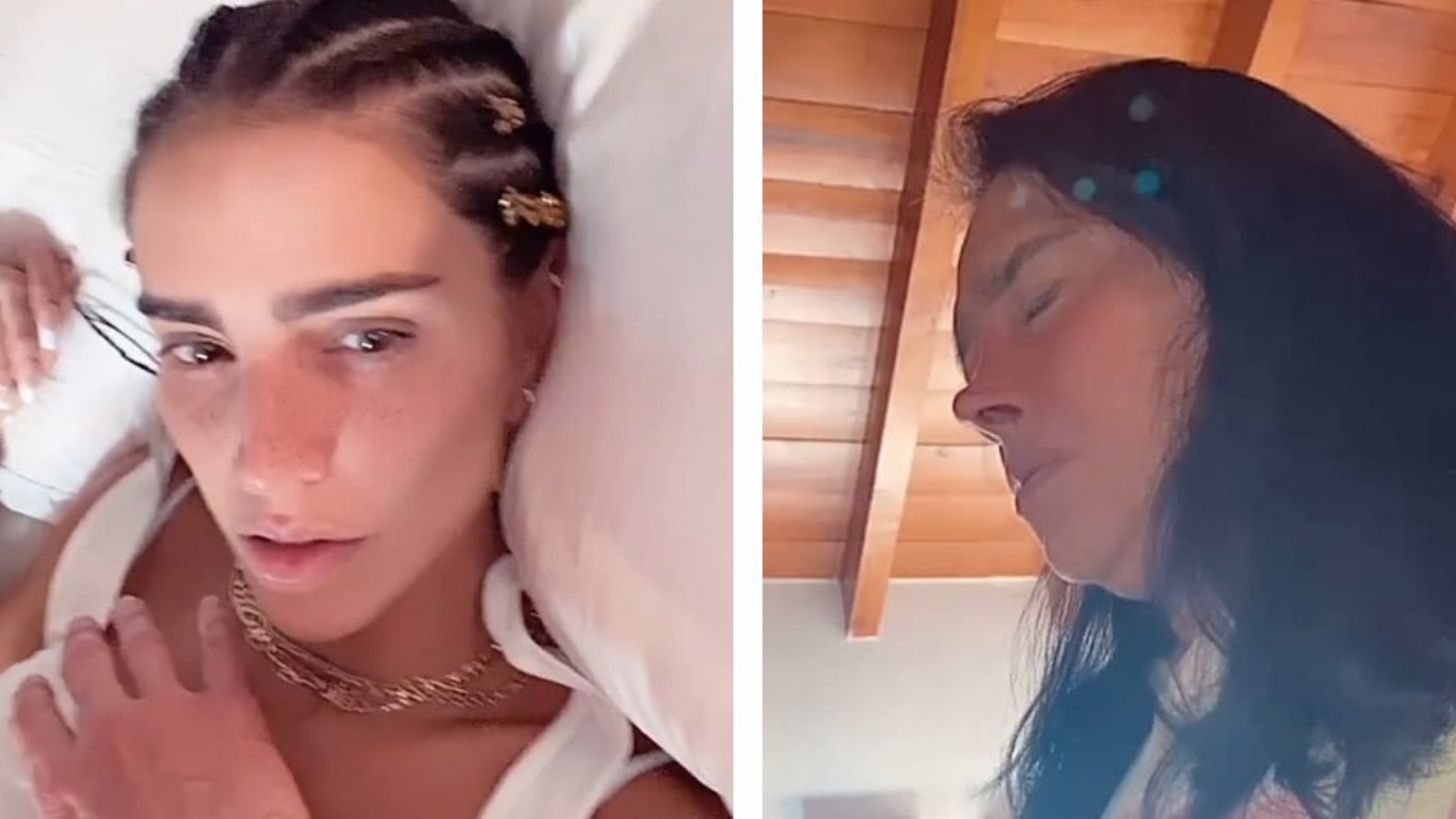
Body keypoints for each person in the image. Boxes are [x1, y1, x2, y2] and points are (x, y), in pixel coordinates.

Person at [0, 1, 725, 816]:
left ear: (530, 322)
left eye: (368, 339)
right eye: (202, 347)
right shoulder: (152, 498)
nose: (264, 463)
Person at [950, 59, 1456, 818]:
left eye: (1039, 299)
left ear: (1269, 272)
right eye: (970, 359)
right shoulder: (1104, 758)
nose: (972, 402)